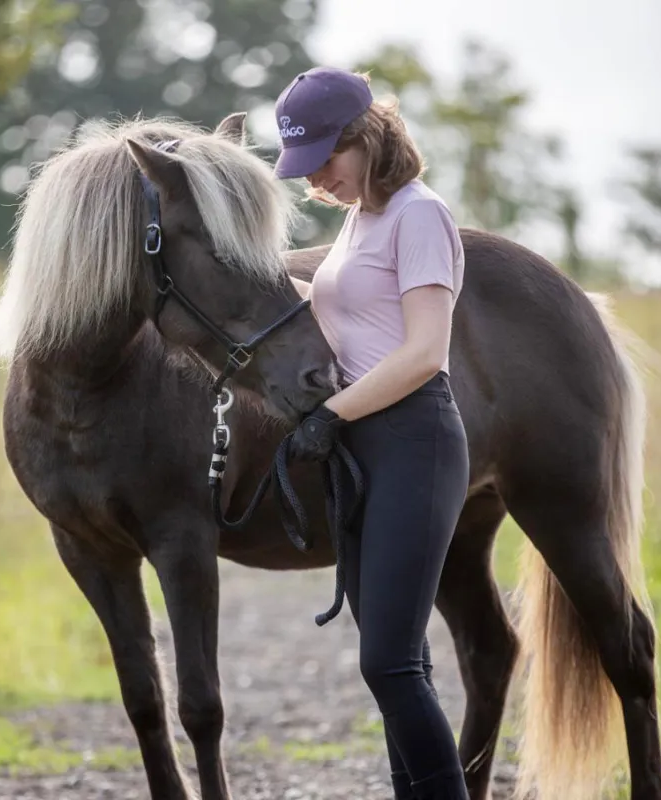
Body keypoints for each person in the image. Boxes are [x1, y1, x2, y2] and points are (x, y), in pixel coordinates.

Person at [273, 66, 470, 800]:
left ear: (367, 137)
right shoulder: (360, 220)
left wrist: (329, 416)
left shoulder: (420, 215)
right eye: (306, 168)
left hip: (414, 441)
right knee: (395, 662)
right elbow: (342, 319)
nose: (316, 179)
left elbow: (422, 351)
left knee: (388, 663)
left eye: (326, 159)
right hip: (363, 446)